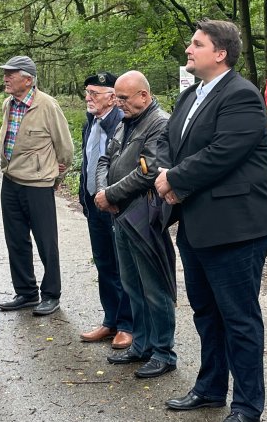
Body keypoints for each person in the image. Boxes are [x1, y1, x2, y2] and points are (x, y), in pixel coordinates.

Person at [156, 19, 267, 422]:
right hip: (196, 223)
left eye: (197, 44)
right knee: (206, 312)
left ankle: (247, 405)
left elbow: (223, 152)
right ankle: (210, 389)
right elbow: (168, 143)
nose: (189, 50)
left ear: (221, 53)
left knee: (239, 318)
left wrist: (175, 180)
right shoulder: (190, 96)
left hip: (237, 227)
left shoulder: (241, 96)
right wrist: (166, 175)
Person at [94, 71, 176, 378]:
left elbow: (149, 170)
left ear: (143, 95)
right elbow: (105, 159)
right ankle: (141, 344)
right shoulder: (125, 121)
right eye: (116, 97)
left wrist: (111, 194)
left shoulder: (160, 123)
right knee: (132, 284)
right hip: (120, 214)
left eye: (124, 98)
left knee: (154, 286)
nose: (119, 103)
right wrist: (104, 193)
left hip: (144, 216)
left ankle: (164, 351)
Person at [0, 56, 74, 316]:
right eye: (5, 73)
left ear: (27, 80)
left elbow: (65, 148)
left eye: (11, 74)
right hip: (11, 181)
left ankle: (51, 294)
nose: (5, 78)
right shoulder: (9, 103)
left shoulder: (47, 105)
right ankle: (26, 292)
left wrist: (55, 178)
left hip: (38, 184)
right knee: (16, 240)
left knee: (45, 242)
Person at [78, 72, 134, 350]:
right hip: (94, 203)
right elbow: (88, 160)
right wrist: (84, 196)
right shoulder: (92, 121)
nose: (88, 98)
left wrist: (109, 196)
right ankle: (110, 320)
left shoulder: (122, 123)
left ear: (112, 97)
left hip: (115, 203)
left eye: (94, 93)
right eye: (87, 92)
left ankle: (127, 324)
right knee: (104, 264)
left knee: (122, 265)